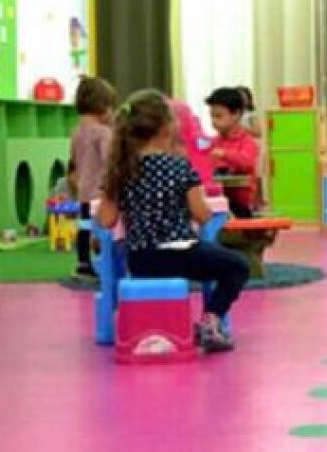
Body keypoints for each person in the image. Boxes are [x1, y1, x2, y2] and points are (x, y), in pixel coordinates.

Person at [96, 90, 250, 353]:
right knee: (237, 267)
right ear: (166, 129)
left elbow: (106, 219)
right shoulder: (179, 167)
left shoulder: (122, 169)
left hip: (140, 259)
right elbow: (202, 214)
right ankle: (211, 320)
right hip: (181, 255)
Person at [70, 76, 118, 279]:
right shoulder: (103, 132)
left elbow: (74, 160)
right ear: (103, 107)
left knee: (85, 227)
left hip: (83, 191)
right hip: (100, 191)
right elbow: (110, 160)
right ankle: (107, 261)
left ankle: (83, 263)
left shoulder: (77, 132)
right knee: (104, 229)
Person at [206, 87, 260, 218]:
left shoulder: (246, 141)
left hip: (240, 204)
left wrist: (225, 154)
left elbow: (247, 161)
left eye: (218, 116)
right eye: (212, 116)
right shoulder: (212, 142)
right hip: (216, 202)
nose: (213, 121)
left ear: (236, 114)